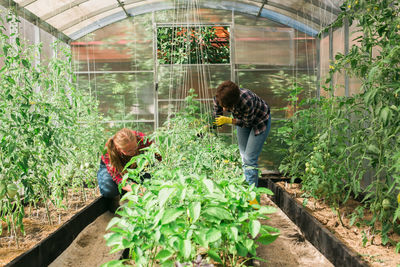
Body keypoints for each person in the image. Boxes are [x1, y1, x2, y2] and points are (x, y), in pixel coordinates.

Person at [213, 80, 271, 187]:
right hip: (242, 119)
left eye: (226, 106)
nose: (224, 109)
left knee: (250, 159)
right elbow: (217, 112)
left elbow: (247, 123)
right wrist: (214, 124)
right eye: (223, 105)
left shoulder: (246, 100)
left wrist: (229, 120)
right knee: (244, 156)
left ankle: (251, 197)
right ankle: (246, 190)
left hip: (259, 121)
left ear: (234, 102)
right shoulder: (220, 97)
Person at [97, 128, 156, 211]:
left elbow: (158, 155)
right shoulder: (109, 150)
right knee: (109, 189)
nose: (133, 152)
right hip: (115, 166)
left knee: (148, 178)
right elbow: (120, 179)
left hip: (135, 164)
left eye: (135, 147)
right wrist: (138, 190)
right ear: (118, 148)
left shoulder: (142, 139)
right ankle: (115, 200)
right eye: (129, 151)